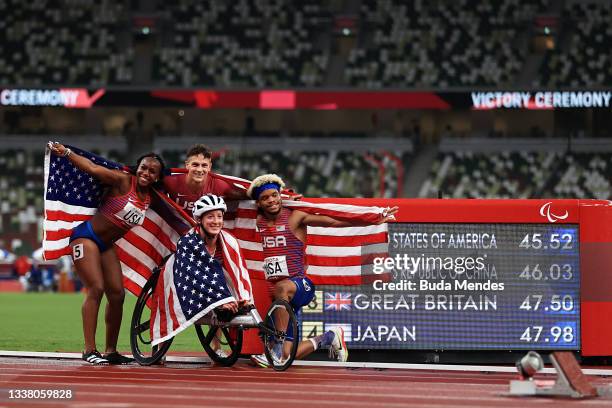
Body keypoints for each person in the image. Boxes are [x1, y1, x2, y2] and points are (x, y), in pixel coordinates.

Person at [247, 174, 398, 367]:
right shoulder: (258, 220)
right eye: (265, 198)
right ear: (258, 203)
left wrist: (369, 219)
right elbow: (239, 197)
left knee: (281, 288)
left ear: (280, 195)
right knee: (287, 355)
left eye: (274, 195)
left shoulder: (295, 216)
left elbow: (333, 221)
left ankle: (276, 343)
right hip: (280, 298)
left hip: (301, 286)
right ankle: (329, 337)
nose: (271, 200)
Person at [48, 142, 165, 365]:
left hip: (106, 245)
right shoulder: (123, 181)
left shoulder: (151, 197)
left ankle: (110, 351)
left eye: (152, 171)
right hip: (86, 237)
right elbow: (92, 169)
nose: (146, 173)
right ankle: (89, 350)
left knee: (117, 295)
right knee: (97, 288)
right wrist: (67, 153)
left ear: (157, 178)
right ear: (137, 167)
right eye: (143, 167)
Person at [163, 144, 247, 213]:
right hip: (177, 230)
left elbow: (246, 195)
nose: (199, 170)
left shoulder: (219, 185)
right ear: (187, 165)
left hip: (204, 231)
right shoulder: (171, 182)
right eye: (195, 165)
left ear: (209, 167)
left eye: (204, 165)